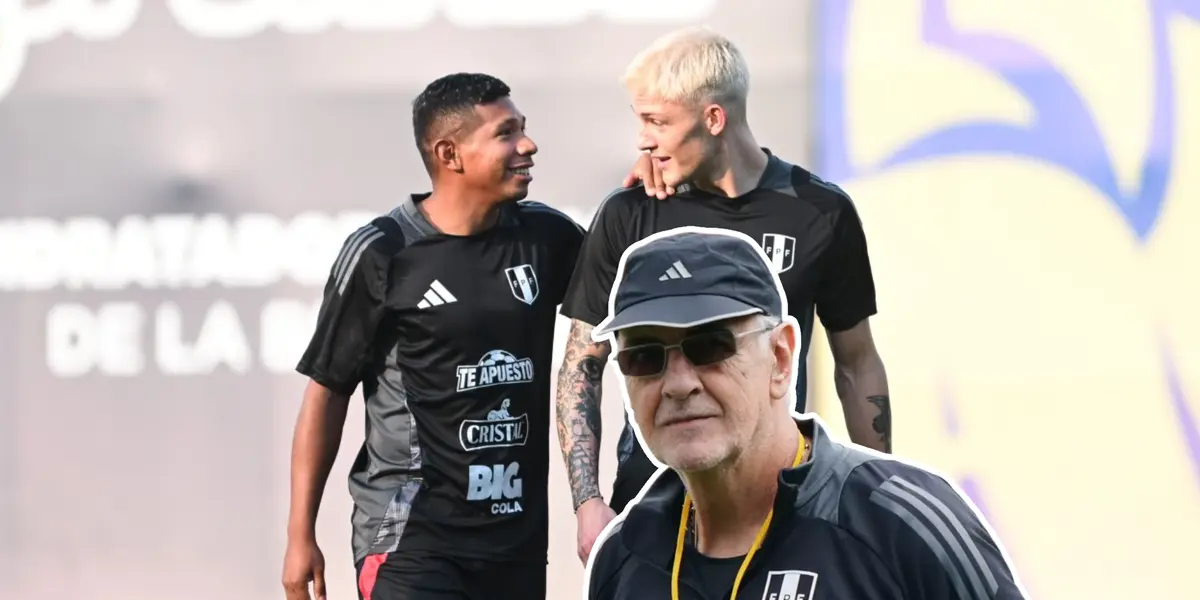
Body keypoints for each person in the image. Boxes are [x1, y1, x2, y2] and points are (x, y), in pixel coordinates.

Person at [556, 26, 892, 563]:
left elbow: (857, 363)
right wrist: (587, 501)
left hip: (779, 506)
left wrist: (877, 493)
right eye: (640, 120)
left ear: (714, 119)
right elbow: (581, 363)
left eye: (658, 122)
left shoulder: (820, 212)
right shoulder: (631, 211)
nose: (643, 140)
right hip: (649, 511)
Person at [585, 227, 1027, 600]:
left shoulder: (901, 523)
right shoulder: (622, 558)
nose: (679, 384)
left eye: (710, 346)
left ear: (780, 359)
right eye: (644, 356)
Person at [280, 72, 589, 600]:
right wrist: (299, 534)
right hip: (410, 540)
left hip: (514, 546)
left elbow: (624, 277)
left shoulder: (548, 238)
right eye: (506, 133)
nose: (528, 145)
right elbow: (326, 392)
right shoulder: (383, 251)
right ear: (450, 154)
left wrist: (644, 190)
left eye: (524, 129)